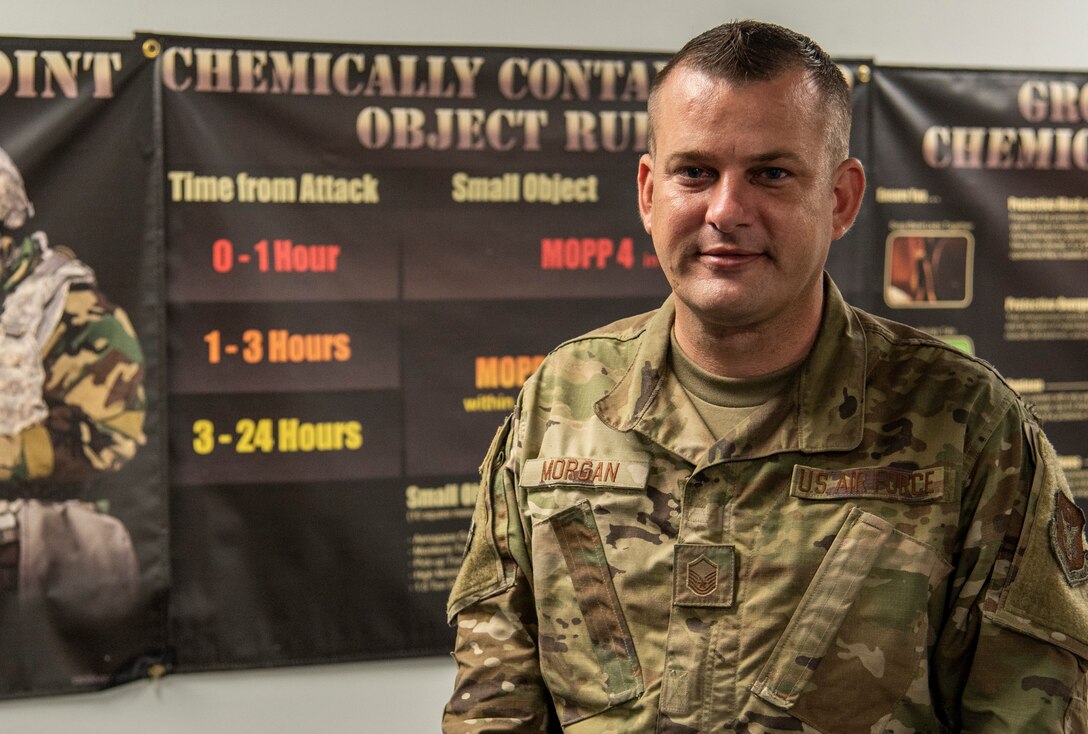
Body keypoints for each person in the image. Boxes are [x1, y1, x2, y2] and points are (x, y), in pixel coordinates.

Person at [443, 20, 1088, 733]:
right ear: (649, 192)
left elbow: (1030, 713)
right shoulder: (560, 402)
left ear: (840, 199)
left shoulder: (971, 426)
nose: (726, 211)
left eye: (771, 174)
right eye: (695, 173)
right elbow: (494, 701)